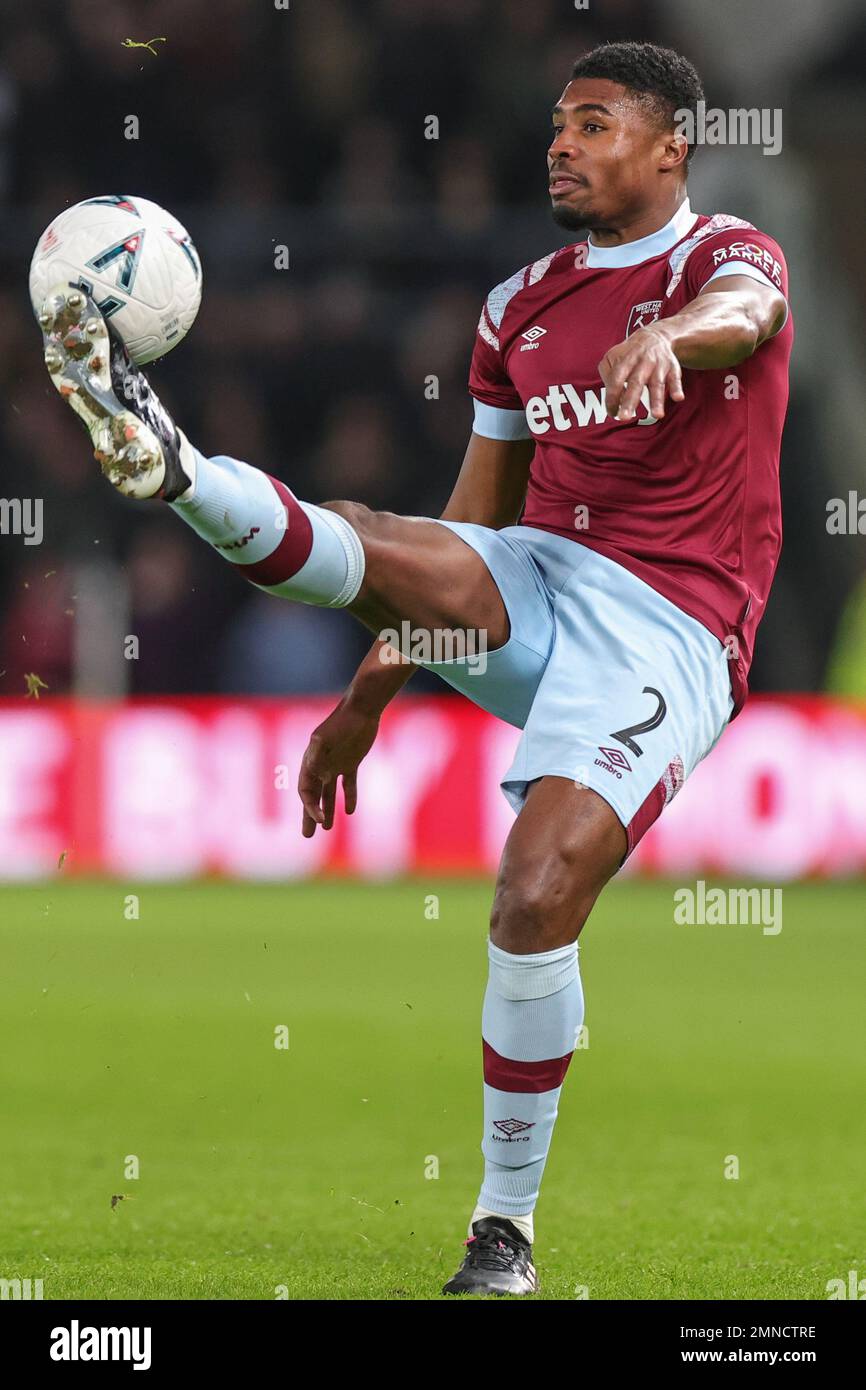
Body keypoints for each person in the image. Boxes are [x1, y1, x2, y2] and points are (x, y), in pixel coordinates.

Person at [37, 41, 791, 1296]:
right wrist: (370, 686)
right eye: (556, 123)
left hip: (670, 627)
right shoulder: (517, 308)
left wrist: (677, 340)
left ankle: (502, 1229)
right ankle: (173, 468)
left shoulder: (723, 259)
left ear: (670, 149)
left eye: (593, 124)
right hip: (539, 579)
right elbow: (468, 530)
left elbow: (747, 317)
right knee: (376, 537)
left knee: (532, 896)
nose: (559, 142)